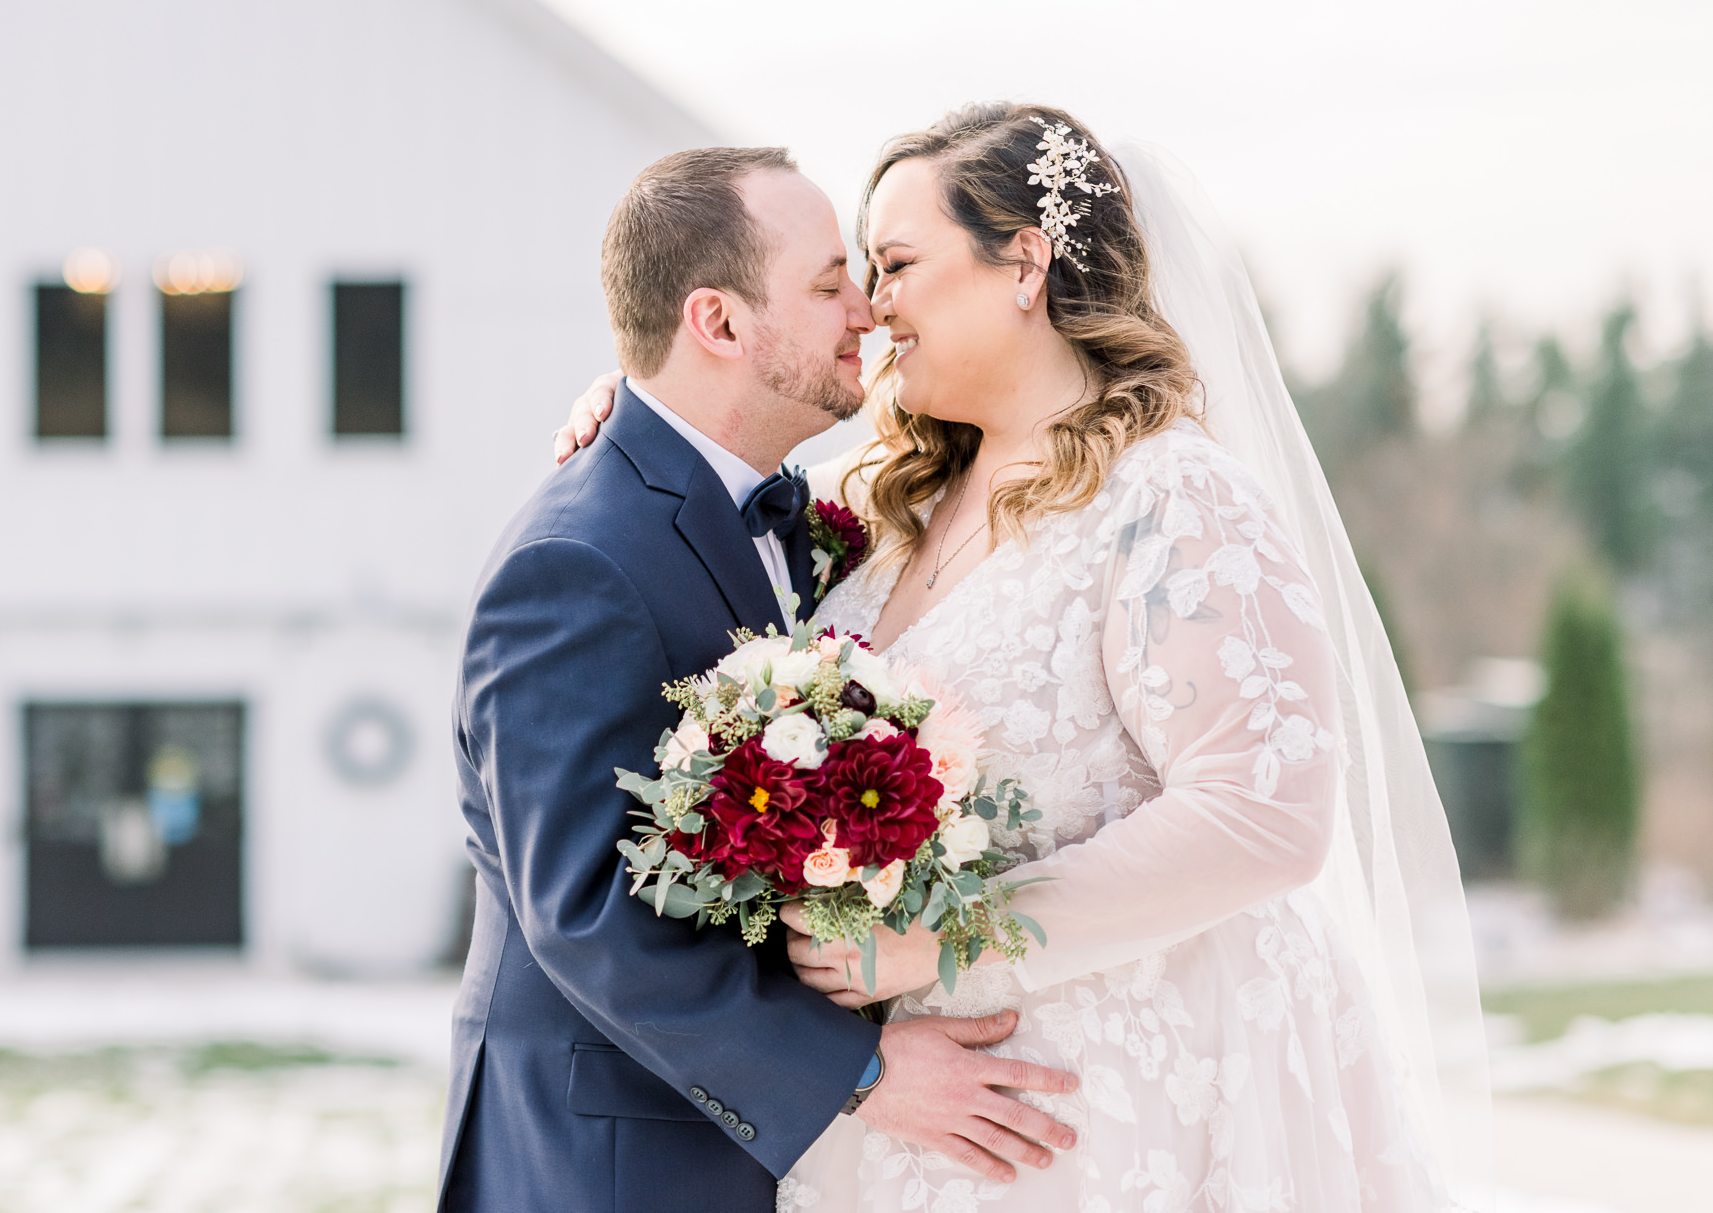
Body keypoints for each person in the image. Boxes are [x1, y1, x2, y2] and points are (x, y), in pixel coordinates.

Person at [555, 106, 1487, 1211]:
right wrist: (637, 415)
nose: (870, 305)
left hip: (1127, 1105)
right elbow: (711, 472)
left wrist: (939, 942)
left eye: (896, 263)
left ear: (1025, 266)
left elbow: (1266, 813)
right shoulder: (885, 500)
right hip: (928, 1125)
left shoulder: (1170, 494)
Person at [440, 145, 1083, 1213]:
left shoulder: (805, 518)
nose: (867, 313)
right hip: (608, 1163)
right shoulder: (577, 560)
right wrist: (860, 1073)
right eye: (830, 283)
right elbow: (584, 913)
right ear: (720, 324)